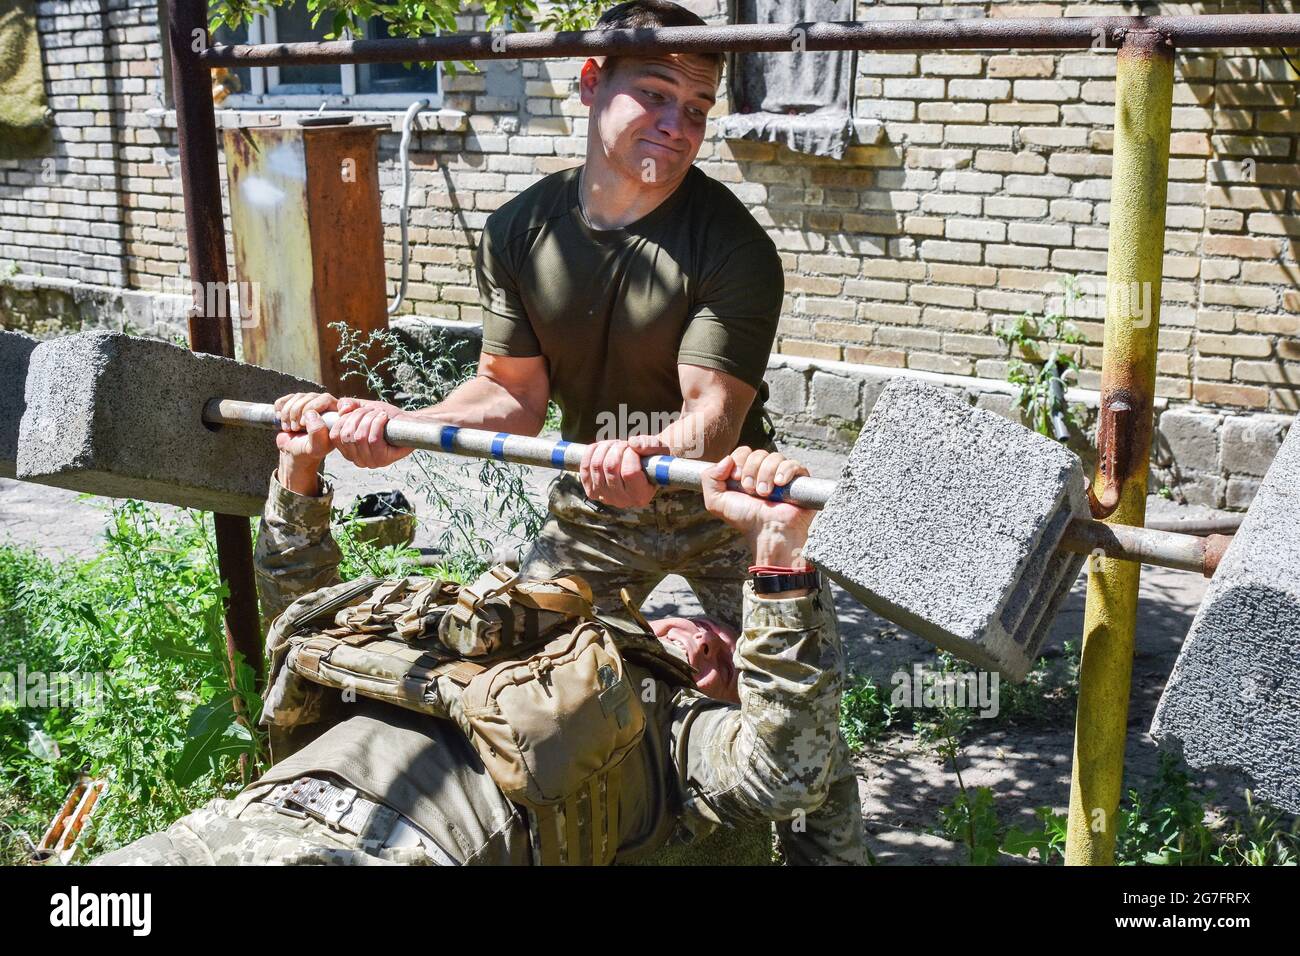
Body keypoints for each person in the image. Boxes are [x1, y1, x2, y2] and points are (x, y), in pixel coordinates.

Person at [93, 406, 865, 866]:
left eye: (729, 667)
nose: (713, 646)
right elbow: (311, 624)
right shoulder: (511, 623)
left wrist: (778, 557)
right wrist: (300, 469)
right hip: (237, 824)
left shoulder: (674, 734)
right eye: (722, 637)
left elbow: (789, 771)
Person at [278, 0, 788, 630]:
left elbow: (712, 416)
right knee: (526, 674)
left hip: (725, 500)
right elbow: (511, 393)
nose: (675, 125)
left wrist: (648, 454)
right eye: (654, 94)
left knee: (790, 697)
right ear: (591, 83)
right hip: (599, 497)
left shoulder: (735, 246)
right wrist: (405, 424)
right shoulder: (517, 232)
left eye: (696, 109)